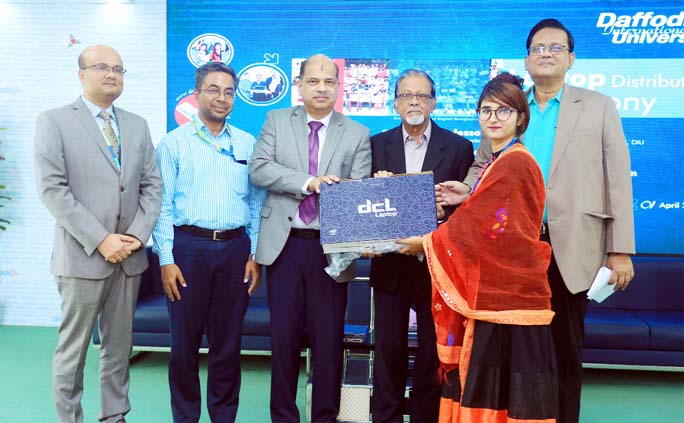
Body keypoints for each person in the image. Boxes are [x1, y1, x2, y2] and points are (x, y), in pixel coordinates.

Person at [436, 19, 635, 423]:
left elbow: (617, 179)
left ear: (571, 58)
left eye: (555, 47)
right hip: (513, 253)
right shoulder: (510, 106)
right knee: (518, 357)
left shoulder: (598, 106)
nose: (546, 53)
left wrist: (619, 251)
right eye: (538, 47)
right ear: (526, 59)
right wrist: (467, 191)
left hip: (572, 249)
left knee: (564, 353)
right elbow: (485, 165)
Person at [399, 72, 558, 422]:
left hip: (504, 303)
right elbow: (491, 217)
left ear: (521, 117)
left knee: (495, 399)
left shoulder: (515, 162)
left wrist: (426, 241)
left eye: (504, 111)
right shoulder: (499, 161)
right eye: (486, 111)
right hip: (498, 298)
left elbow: (485, 229)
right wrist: (470, 195)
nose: (493, 119)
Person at [34, 44, 162, 423]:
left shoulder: (136, 124)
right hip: (82, 257)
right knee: (73, 352)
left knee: (119, 350)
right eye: (102, 67)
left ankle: (114, 416)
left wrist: (137, 237)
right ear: (81, 74)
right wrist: (101, 239)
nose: (111, 75)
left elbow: (152, 187)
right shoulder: (55, 120)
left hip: (130, 258)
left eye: (119, 69)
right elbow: (53, 190)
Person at [249, 54, 371, 423]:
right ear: (299, 86)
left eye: (329, 81)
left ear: (338, 87)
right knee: (283, 340)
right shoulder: (275, 120)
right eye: (313, 81)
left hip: (330, 250)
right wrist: (309, 183)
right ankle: (283, 416)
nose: (321, 87)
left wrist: (343, 191)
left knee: (328, 341)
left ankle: (325, 416)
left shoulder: (357, 133)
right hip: (284, 246)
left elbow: (360, 190)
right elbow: (259, 168)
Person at [152, 62, 265, 423]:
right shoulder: (173, 143)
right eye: (213, 89)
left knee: (228, 345)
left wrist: (254, 253)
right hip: (188, 250)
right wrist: (166, 259)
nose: (221, 97)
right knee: (183, 346)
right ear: (197, 94)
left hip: (235, 252)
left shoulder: (247, 143)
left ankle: (223, 416)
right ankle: (185, 417)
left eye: (229, 91)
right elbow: (163, 205)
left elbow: (257, 203)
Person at [369, 69, 473, 423]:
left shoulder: (459, 147)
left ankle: (427, 417)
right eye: (406, 95)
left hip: (437, 269)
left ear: (433, 101)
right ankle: (386, 417)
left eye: (422, 95)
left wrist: (444, 210)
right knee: (388, 351)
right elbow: (365, 205)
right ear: (395, 102)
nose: (414, 101)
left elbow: (464, 212)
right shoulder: (375, 145)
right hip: (390, 264)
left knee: (432, 354)